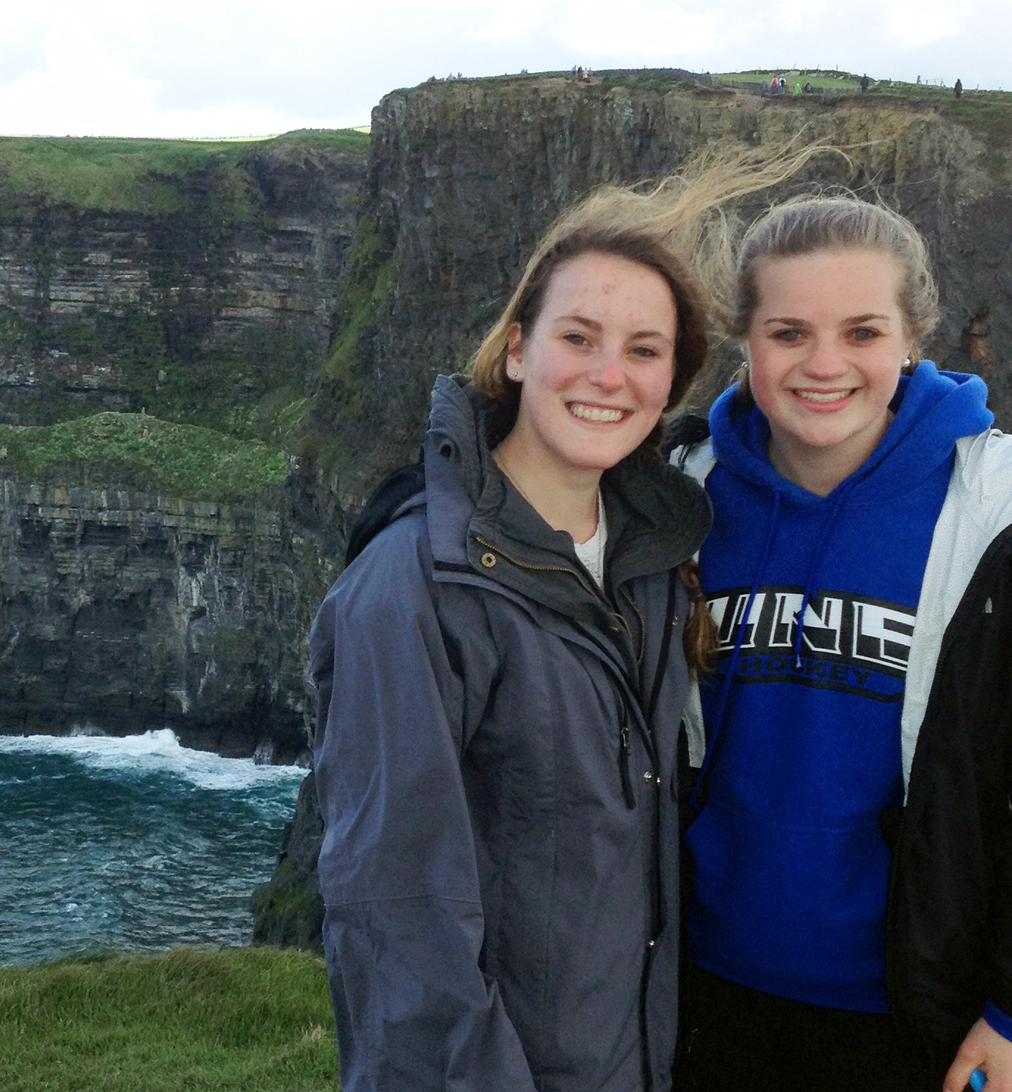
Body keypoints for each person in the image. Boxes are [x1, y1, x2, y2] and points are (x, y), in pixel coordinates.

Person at [310, 153, 811, 1092]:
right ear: (515, 349)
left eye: (644, 350)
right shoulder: (415, 587)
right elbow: (399, 918)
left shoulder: (652, 563)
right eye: (577, 337)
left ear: (674, 384)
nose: (607, 376)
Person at [669, 196, 1012, 1092]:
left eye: (861, 331)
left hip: (913, 1011)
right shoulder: (676, 498)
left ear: (913, 337)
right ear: (745, 339)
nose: (824, 365)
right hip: (694, 994)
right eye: (788, 332)